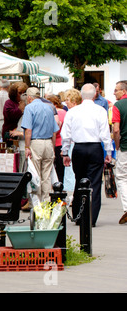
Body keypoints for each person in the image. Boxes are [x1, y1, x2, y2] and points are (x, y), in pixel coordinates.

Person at [61, 84, 112, 227]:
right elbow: (105, 134)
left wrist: (65, 152)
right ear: (95, 94)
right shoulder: (100, 110)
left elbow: (66, 134)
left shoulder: (73, 111)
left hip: (79, 147)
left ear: (81, 95)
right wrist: (108, 152)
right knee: (95, 183)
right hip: (95, 147)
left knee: (79, 180)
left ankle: (78, 215)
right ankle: (91, 218)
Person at [22, 87, 59, 202]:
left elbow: (28, 130)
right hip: (48, 142)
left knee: (35, 175)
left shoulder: (29, 108)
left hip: (36, 142)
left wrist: (27, 147)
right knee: (46, 176)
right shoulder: (49, 107)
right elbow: (54, 131)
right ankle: (46, 202)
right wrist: (52, 147)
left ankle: (37, 205)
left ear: (29, 97)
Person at [110, 81, 127, 224]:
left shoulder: (118, 106)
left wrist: (117, 145)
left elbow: (116, 129)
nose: (114, 93)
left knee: (122, 177)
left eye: (116, 90)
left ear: (124, 91)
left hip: (125, 146)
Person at [46, 94, 67, 183]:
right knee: (62, 168)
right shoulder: (64, 112)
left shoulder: (55, 113)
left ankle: (58, 186)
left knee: (57, 168)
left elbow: (54, 129)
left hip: (56, 142)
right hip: (63, 142)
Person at [2, 81, 28, 147]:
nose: (22, 95)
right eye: (20, 93)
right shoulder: (9, 103)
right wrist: (20, 109)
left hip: (23, 135)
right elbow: (10, 116)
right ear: (14, 93)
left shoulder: (28, 103)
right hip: (11, 134)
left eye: (24, 92)